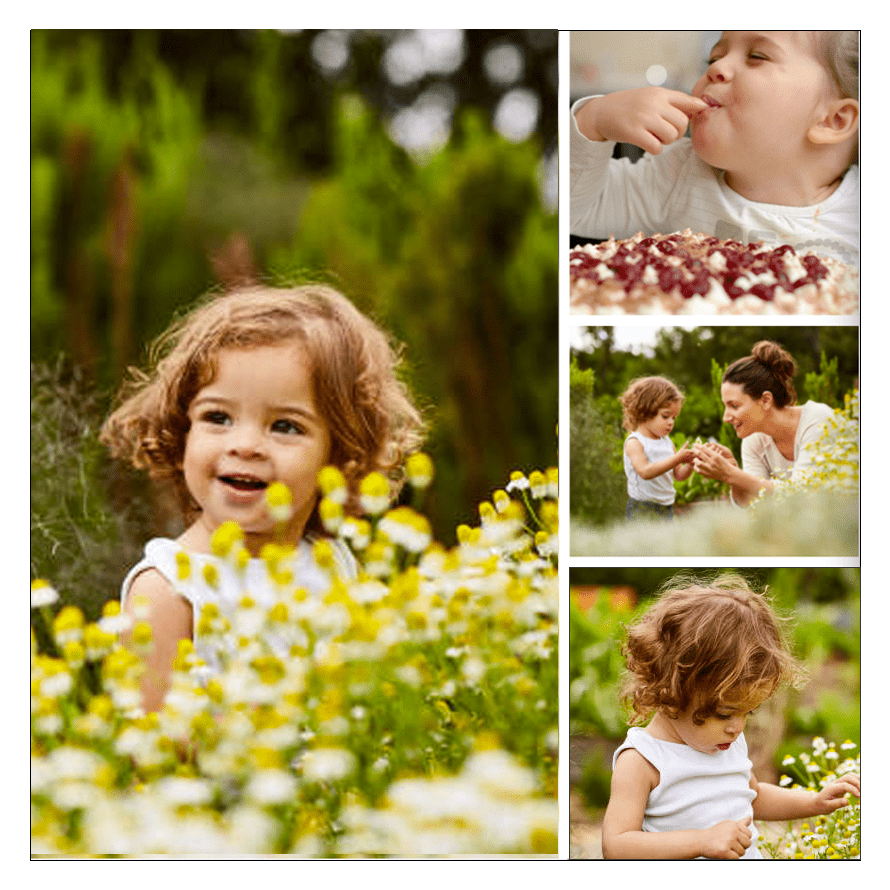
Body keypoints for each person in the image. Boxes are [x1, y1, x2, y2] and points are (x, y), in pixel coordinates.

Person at [101, 284, 424, 710]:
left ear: (340, 453)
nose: (246, 445)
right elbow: (148, 750)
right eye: (218, 417)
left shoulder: (332, 560)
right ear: (182, 434)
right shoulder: (167, 591)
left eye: (285, 426)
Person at [602, 573, 861, 859]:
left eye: (747, 712)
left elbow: (755, 796)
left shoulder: (727, 743)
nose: (737, 727)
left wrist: (813, 802)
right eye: (725, 713)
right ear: (673, 689)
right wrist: (701, 841)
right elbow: (617, 845)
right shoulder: (643, 760)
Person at [571, 32, 859, 267]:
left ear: (834, 120)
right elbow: (575, 211)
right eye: (714, 57)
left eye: (757, 56)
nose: (715, 68)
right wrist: (594, 120)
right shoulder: (677, 176)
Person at [691, 340, 836, 506]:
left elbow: (801, 493)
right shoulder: (753, 440)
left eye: (734, 405)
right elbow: (754, 505)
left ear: (766, 400)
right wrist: (732, 473)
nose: (725, 417)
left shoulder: (819, 420)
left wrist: (731, 473)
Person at [619, 376, 694, 520]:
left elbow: (679, 475)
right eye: (665, 416)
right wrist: (677, 458)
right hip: (642, 508)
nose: (671, 422)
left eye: (674, 418)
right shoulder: (635, 442)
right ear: (645, 412)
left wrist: (690, 463)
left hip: (666, 507)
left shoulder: (666, 442)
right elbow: (645, 472)